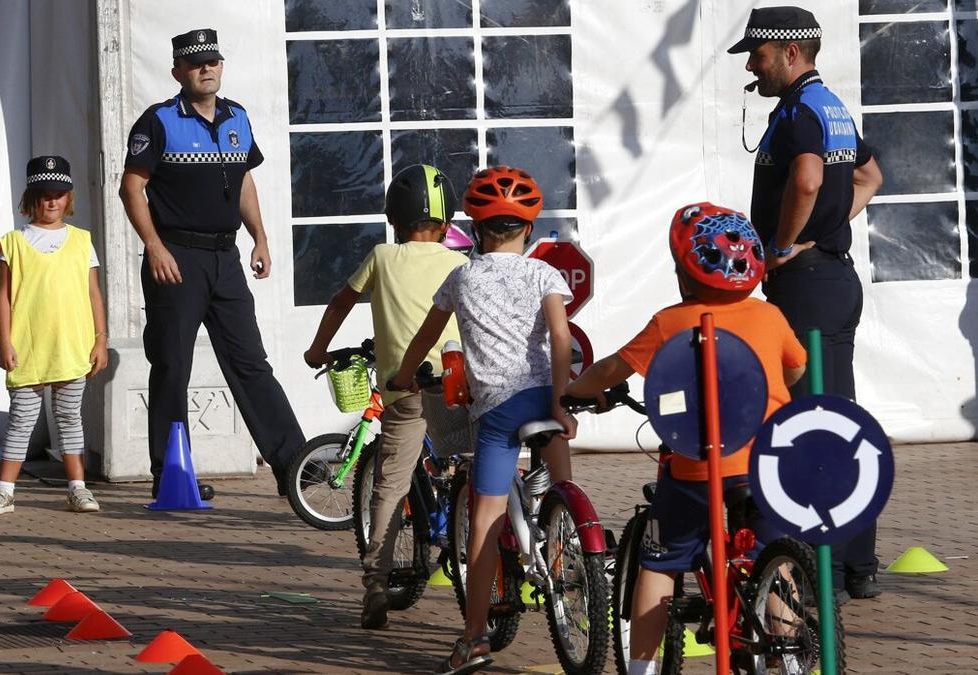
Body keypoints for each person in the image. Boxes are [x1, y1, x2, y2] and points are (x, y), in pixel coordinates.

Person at [565, 203, 806, 675]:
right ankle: (791, 653)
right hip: (769, 464)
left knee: (661, 561)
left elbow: (611, 369)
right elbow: (795, 368)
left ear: (682, 272)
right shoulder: (770, 316)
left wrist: (573, 391)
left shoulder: (669, 323)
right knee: (773, 563)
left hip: (698, 468)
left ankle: (641, 670)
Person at [388, 166, 575, 675]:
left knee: (485, 519)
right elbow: (561, 339)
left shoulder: (461, 277)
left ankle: (473, 639)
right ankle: (568, 528)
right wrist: (561, 400)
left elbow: (425, 340)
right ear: (529, 231)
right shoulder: (544, 275)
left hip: (496, 411)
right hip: (544, 398)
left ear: (475, 231)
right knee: (558, 461)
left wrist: (404, 375)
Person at [728, 6, 884, 600]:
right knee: (836, 419)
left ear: (791, 51)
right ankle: (858, 565)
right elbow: (871, 176)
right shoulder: (832, 107)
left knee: (809, 425)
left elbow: (810, 179)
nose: (751, 65)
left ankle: (825, 569)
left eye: (758, 53)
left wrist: (784, 245)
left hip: (809, 286)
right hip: (834, 279)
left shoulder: (798, 111)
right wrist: (824, 229)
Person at [118, 28, 304, 498]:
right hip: (176, 258)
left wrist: (259, 237)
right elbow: (131, 187)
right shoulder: (158, 120)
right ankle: (172, 477)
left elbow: (244, 183)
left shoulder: (237, 116)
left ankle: (296, 469)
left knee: (251, 363)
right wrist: (155, 247)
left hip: (226, 257)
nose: (207, 69)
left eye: (213, 61)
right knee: (172, 365)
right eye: (196, 63)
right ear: (178, 71)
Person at [303, 164, 468, 630]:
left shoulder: (381, 256)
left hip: (406, 390)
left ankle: (376, 583)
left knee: (390, 488)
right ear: (447, 221)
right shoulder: (460, 263)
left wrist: (318, 349)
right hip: (456, 386)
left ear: (395, 217)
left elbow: (340, 302)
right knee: (472, 464)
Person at [0, 156, 109, 516]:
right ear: (30, 198)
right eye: (44, 194)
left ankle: (77, 488)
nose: (52, 202)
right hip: (28, 346)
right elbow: (3, 296)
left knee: (69, 417)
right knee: (22, 417)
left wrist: (100, 338)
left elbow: (93, 293)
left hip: (71, 344)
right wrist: (4, 341)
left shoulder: (82, 241)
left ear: (69, 198)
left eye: (59, 194)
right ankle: (4, 490)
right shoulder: (12, 243)